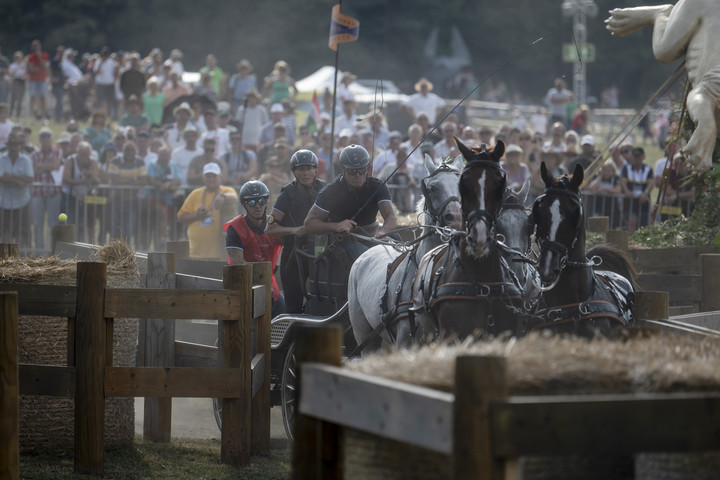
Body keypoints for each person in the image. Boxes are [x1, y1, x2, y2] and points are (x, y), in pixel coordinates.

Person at [304, 144, 398, 263]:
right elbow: (308, 224)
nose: (357, 175)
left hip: (374, 235)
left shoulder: (377, 186)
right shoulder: (330, 192)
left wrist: (383, 232)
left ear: (367, 169)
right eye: (352, 171)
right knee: (369, 259)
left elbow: (391, 217)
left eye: (361, 170)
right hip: (345, 239)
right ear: (343, 170)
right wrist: (336, 226)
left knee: (400, 252)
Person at [267, 150, 326, 313]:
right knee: (292, 306)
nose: (306, 173)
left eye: (309, 168)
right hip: (294, 254)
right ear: (294, 171)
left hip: (321, 253)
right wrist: (295, 230)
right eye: (301, 169)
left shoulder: (325, 189)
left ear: (315, 170)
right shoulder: (287, 195)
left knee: (325, 300)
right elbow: (270, 229)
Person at [224, 180, 284, 316]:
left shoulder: (274, 226)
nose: (257, 206)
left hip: (269, 284)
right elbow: (237, 264)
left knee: (285, 315)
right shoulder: (235, 228)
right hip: (241, 285)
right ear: (244, 204)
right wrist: (260, 287)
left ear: (267, 202)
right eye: (251, 202)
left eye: (261, 201)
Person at [179, 162, 238, 259]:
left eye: (214, 176)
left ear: (220, 177)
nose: (211, 179)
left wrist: (223, 196)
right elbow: (181, 217)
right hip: (194, 252)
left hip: (217, 254)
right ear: (203, 177)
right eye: (208, 176)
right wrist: (196, 216)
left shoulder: (226, 190)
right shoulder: (195, 193)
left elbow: (234, 197)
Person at [30, 128, 64, 250]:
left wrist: (40, 166)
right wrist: (48, 167)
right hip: (37, 194)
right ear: (40, 140)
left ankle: (52, 252)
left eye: (47, 136)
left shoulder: (57, 152)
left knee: (52, 225)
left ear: (51, 139)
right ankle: (39, 252)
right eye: (43, 137)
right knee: (38, 225)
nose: (45, 139)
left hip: (53, 194)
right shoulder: (34, 154)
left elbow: (55, 165)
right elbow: (33, 170)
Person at [0, 134, 33, 245]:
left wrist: (11, 177)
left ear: (20, 146)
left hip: (22, 202)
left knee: (22, 231)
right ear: (8, 146)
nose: (14, 148)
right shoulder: (1, 158)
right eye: (12, 145)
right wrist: (18, 181)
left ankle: (21, 258)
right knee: (5, 231)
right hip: (5, 202)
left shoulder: (26, 160)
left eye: (16, 145)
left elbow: (30, 178)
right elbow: (1, 177)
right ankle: (5, 259)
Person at [146, 146, 181, 249]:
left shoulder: (173, 165)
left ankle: (166, 239)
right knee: (162, 212)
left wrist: (169, 185)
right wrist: (161, 185)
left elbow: (178, 180)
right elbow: (151, 180)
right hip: (154, 197)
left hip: (169, 199)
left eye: (166, 155)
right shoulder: (153, 164)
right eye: (162, 155)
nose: (164, 158)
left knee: (168, 218)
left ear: (170, 156)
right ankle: (163, 237)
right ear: (158, 155)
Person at [619, 146, 654, 233]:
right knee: (632, 222)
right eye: (635, 156)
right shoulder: (626, 168)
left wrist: (645, 193)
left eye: (638, 156)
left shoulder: (648, 169)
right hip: (630, 203)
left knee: (644, 226)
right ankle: (631, 242)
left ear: (643, 157)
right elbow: (623, 182)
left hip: (644, 204)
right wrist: (627, 191)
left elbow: (651, 183)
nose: (636, 158)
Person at [26, 40, 49, 120]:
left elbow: (44, 66)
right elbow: (32, 69)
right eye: (34, 46)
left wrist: (39, 56)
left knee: (42, 97)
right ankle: (32, 116)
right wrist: (40, 68)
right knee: (33, 97)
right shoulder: (30, 57)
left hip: (42, 79)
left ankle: (43, 116)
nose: (35, 48)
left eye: (37, 46)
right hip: (33, 80)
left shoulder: (44, 55)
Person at [93, 47, 118, 120]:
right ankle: (98, 116)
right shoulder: (98, 62)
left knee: (109, 102)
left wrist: (114, 81)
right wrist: (101, 62)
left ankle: (109, 116)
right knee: (99, 102)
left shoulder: (111, 62)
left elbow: (114, 73)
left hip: (109, 85)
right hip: (100, 85)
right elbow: (97, 72)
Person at [50, 45, 66, 122]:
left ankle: (59, 117)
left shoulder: (63, 62)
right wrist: (52, 78)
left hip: (61, 85)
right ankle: (57, 117)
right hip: (56, 85)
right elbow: (50, 71)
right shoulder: (54, 61)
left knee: (60, 102)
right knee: (58, 102)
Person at [9, 51, 26, 118]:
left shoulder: (24, 65)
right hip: (15, 82)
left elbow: (25, 73)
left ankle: (18, 115)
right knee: (13, 99)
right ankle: (10, 114)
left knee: (20, 100)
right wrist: (18, 67)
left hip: (22, 82)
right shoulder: (13, 65)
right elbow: (11, 74)